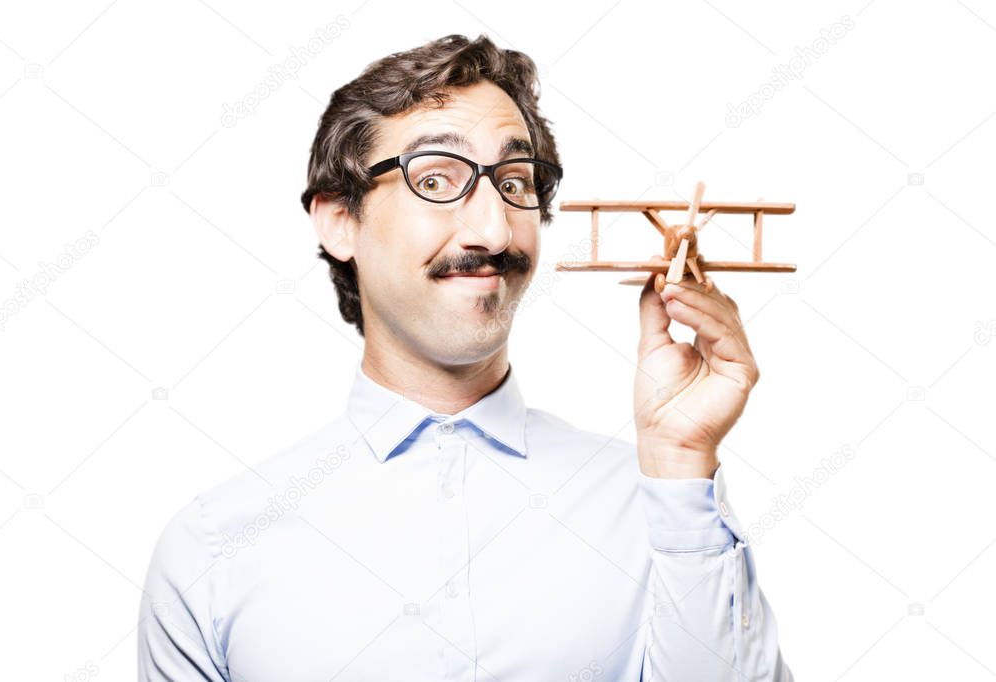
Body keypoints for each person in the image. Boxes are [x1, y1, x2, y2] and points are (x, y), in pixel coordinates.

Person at [138, 33, 792, 681]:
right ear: (339, 221)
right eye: (434, 179)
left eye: (514, 183)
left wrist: (680, 469)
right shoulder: (213, 550)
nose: (492, 231)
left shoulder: (660, 502)